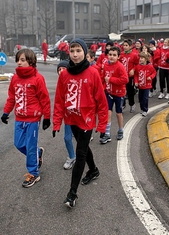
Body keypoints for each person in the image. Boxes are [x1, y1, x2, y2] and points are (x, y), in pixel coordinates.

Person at [52, 38, 108, 208]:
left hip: (87, 120)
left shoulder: (93, 73)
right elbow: (60, 100)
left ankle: (72, 193)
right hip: (72, 119)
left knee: (80, 153)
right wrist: (56, 122)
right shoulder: (65, 75)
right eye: (72, 51)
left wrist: (102, 124)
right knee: (83, 148)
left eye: (78, 51)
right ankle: (93, 170)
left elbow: (101, 100)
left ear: (85, 53)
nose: (75, 54)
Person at [1, 48, 51, 188]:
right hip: (19, 118)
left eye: (22, 60)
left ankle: (34, 173)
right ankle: (38, 153)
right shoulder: (15, 78)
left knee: (29, 147)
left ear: (31, 61)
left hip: (33, 119)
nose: (19, 62)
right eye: (18, 60)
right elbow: (12, 97)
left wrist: (47, 117)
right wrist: (6, 112)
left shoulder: (38, 78)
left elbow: (45, 99)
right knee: (18, 144)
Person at [100, 46, 129, 144]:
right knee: (108, 112)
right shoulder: (106, 65)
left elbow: (125, 79)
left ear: (118, 56)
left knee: (118, 113)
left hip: (119, 93)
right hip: (109, 93)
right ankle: (107, 134)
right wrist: (102, 88)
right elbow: (104, 78)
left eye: (114, 55)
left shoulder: (120, 66)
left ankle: (120, 129)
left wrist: (111, 80)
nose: (111, 57)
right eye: (110, 55)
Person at [56, 60, 76, 170]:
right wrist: (57, 121)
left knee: (82, 140)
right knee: (67, 138)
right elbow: (59, 103)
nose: (61, 71)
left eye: (63, 69)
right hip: (68, 116)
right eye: (59, 70)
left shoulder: (75, 80)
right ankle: (72, 157)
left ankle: (86, 159)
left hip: (79, 116)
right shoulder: (60, 84)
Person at [119, 39, 139, 113]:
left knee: (130, 91)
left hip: (130, 77)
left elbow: (137, 64)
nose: (124, 47)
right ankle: (122, 104)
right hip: (122, 76)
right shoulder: (121, 55)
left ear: (130, 46)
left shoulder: (134, 55)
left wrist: (133, 70)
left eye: (126, 45)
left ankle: (132, 104)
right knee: (122, 91)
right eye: (124, 45)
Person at [134, 51, 156, 116]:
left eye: (142, 58)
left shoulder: (150, 67)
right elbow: (136, 75)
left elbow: (154, 73)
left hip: (147, 85)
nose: (140, 59)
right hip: (140, 85)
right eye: (140, 58)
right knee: (140, 98)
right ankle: (142, 108)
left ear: (146, 59)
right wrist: (136, 82)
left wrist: (151, 77)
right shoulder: (138, 67)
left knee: (145, 98)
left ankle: (145, 109)